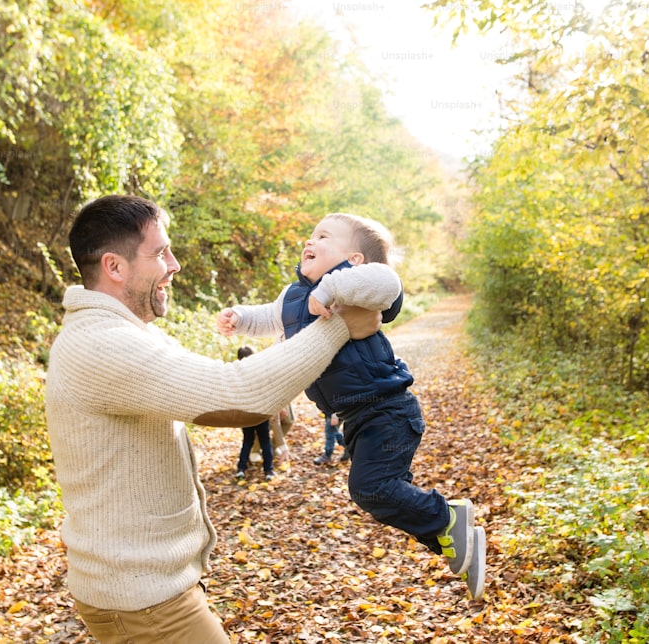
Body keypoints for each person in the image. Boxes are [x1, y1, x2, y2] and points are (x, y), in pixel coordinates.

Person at [44, 195, 383, 644]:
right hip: (143, 603)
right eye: (160, 252)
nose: (175, 263)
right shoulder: (101, 344)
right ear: (114, 266)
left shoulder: (125, 332)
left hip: (149, 593)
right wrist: (339, 326)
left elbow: (224, 384)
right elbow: (240, 395)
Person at [216, 212, 487, 599]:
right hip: (355, 418)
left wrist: (329, 291)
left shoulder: (358, 283)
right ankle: (451, 538)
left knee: (370, 488)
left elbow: (388, 283)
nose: (310, 241)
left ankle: (448, 519)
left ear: (354, 259)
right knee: (384, 494)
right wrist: (240, 318)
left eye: (324, 236)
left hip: (388, 410)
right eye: (310, 235)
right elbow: (269, 317)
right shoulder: (293, 296)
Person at [234, 345, 275, 481]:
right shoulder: (259, 372)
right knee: (265, 442)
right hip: (260, 411)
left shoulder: (236, 373)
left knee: (247, 441)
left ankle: (241, 469)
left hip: (245, 413)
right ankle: (269, 470)